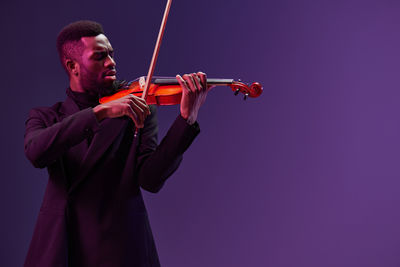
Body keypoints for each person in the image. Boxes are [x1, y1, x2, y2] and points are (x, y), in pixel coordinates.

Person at [24, 20, 210, 267]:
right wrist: (99, 112)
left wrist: (186, 121)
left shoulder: (137, 107)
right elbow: (36, 152)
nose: (111, 62)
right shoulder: (47, 116)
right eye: (100, 56)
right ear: (73, 66)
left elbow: (150, 179)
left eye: (111, 54)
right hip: (63, 243)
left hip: (121, 244)